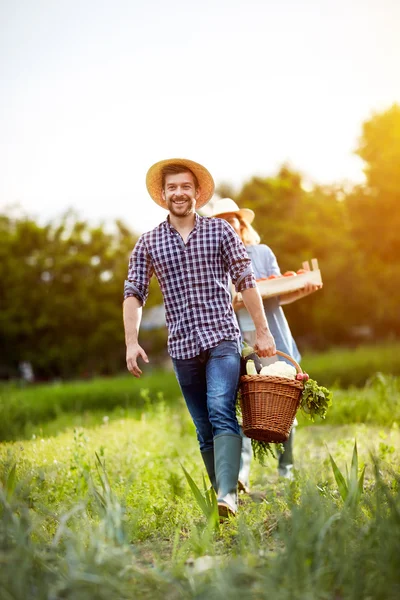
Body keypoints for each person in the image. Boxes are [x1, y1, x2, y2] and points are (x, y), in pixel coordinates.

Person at [123, 159, 276, 518]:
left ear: (197, 192)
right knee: (203, 425)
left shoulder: (220, 233)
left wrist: (262, 331)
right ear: (163, 195)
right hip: (182, 347)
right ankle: (224, 495)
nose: (179, 193)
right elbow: (134, 292)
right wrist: (131, 341)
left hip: (222, 337)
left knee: (221, 409)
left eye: (185, 187)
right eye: (172, 187)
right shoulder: (148, 242)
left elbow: (246, 281)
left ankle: (227, 497)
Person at [211, 198, 322, 488]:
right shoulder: (211, 260)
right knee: (243, 405)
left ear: (242, 224)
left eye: (232, 221)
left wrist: (302, 290)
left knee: (285, 397)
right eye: (221, 222)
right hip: (238, 340)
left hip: (271, 336)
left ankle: (286, 468)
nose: (229, 227)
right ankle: (242, 473)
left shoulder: (260, 253)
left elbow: (275, 292)